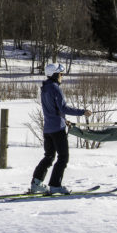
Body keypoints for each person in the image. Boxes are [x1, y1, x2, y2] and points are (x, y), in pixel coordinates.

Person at [31, 63, 90, 195]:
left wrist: (64, 119)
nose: (62, 76)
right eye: (61, 74)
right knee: (63, 157)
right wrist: (82, 112)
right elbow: (63, 108)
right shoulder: (55, 88)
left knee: (49, 157)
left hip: (48, 129)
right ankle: (55, 185)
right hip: (57, 129)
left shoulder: (45, 88)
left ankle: (36, 183)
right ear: (56, 74)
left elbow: (53, 110)